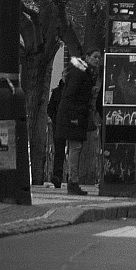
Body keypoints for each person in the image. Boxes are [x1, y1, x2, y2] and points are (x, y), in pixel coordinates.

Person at [55, 49, 102, 195]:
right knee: (75, 148)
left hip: (74, 115)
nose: (97, 60)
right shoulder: (81, 73)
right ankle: (73, 181)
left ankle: (73, 180)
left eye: (99, 58)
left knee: (76, 148)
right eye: (95, 57)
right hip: (74, 116)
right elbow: (72, 94)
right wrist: (74, 116)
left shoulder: (82, 72)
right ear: (87, 57)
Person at [47, 78, 65, 188]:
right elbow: (50, 109)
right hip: (61, 124)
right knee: (61, 151)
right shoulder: (59, 92)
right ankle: (59, 175)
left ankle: (58, 175)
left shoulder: (57, 92)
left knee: (60, 151)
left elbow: (50, 109)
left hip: (59, 124)